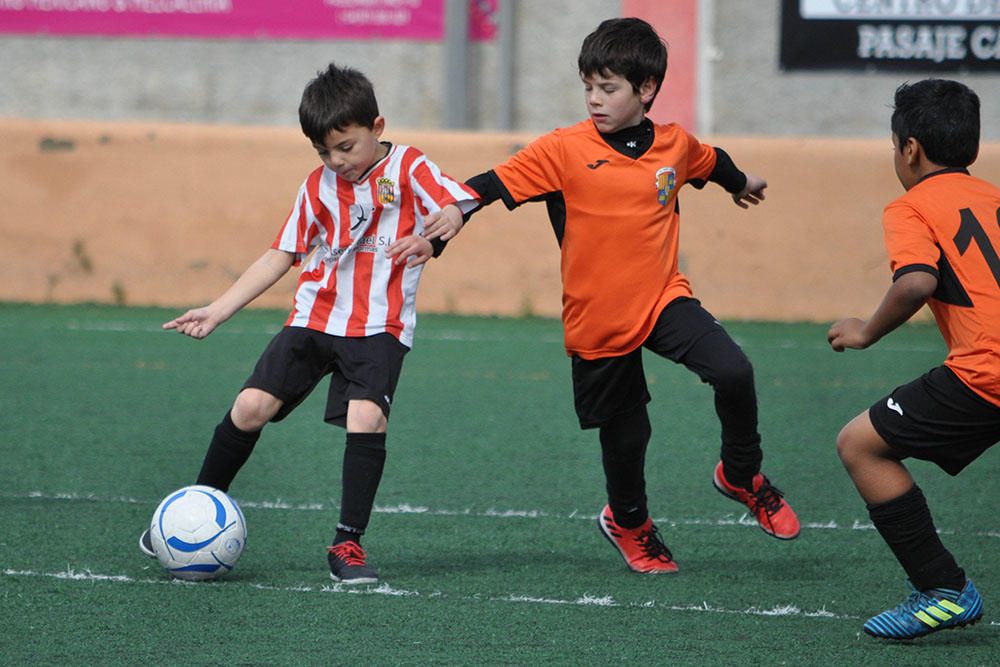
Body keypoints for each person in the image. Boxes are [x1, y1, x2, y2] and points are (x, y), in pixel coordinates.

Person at [401, 17, 800, 575]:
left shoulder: (674, 145)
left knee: (733, 370)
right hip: (598, 315)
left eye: (608, 88)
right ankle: (629, 521)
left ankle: (740, 473)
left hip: (664, 297)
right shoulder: (563, 149)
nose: (594, 99)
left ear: (646, 90)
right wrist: (450, 217)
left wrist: (743, 183)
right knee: (628, 431)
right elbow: (488, 185)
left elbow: (710, 161)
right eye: (588, 86)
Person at [139, 63, 479, 584]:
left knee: (368, 418)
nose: (336, 161)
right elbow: (281, 255)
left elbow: (461, 200)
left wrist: (439, 233)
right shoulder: (317, 187)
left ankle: (347, 544)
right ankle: (193, 508)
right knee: (249, 407)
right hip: (314, 316)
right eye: (324, 152)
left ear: (377, 127)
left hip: (379, 324)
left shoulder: (409, 167)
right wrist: (219, 309)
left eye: (346, 147)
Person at [828, 78, 992, 639]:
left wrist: (867, 332)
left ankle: (944, 590)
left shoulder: (912, 205)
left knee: (860, 444)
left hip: (986, 374)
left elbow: (916, 281)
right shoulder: (995, 198)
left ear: (910, 149)